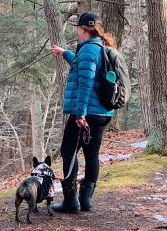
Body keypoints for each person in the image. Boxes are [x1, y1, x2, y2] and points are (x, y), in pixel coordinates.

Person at [50, 12, 115, 213]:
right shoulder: (101, 47)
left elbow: (85, 83)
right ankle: (86, 201)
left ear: (84, 29)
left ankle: (71, 201)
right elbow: (83, 68)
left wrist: (79, 114)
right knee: (92, 155)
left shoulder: (88, 50)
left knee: (68, 151)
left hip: (87, 112)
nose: (77, 31)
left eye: (78, 28)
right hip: (103, 113)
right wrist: (65, 53)